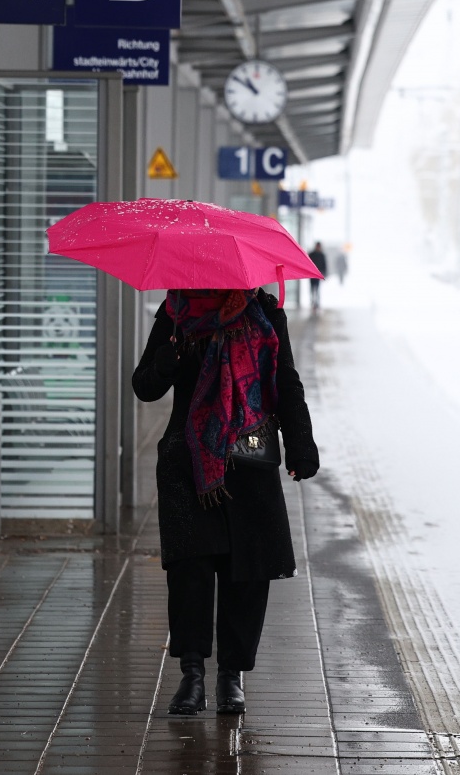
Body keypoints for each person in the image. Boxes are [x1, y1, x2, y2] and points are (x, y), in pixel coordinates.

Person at [132, 287, 319, 718]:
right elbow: (144, 386)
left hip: (249, 459)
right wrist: (168, 361)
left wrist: (301, 445)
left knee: (247, 574)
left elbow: (284, 380)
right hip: (189, 462)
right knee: (189, 572)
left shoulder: (266, 313)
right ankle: (192, 674)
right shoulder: (177, 312)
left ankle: (231, 676)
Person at [308, 242, 328, 309]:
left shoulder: (321, 255)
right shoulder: (312, 254)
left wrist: (324, 273)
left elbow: (324, 265)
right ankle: (313, 300)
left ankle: (316, 301)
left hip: (318, 274)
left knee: (317, 288)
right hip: (312, 274)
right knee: (312, 288)